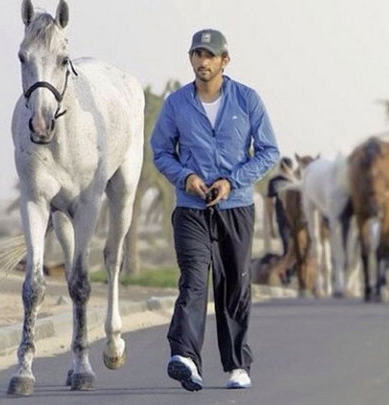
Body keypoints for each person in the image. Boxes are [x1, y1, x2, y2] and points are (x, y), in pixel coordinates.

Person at [150, 28, 279, 391]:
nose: (202, 62)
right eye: (197, 54)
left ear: (225, 60)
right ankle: (186, 358)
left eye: (210, 55)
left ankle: (238, 364)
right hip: (191, 208)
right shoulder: (176, 104)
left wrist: (233, 181)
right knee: (193, 280)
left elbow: (269, 151)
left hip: (235, 207)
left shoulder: (247, 100)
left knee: (234, 285)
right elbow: (160, 150)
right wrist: (185, 176)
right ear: (191, 58)